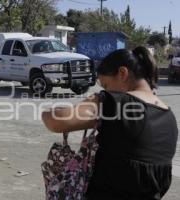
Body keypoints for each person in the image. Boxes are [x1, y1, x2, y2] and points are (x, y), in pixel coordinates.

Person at [42, 46, 178, 200]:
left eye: (105, 85)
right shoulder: (169, 117)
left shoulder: (115, 102)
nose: (105, 90)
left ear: (122, 73)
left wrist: (46, 112)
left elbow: (56, 121)